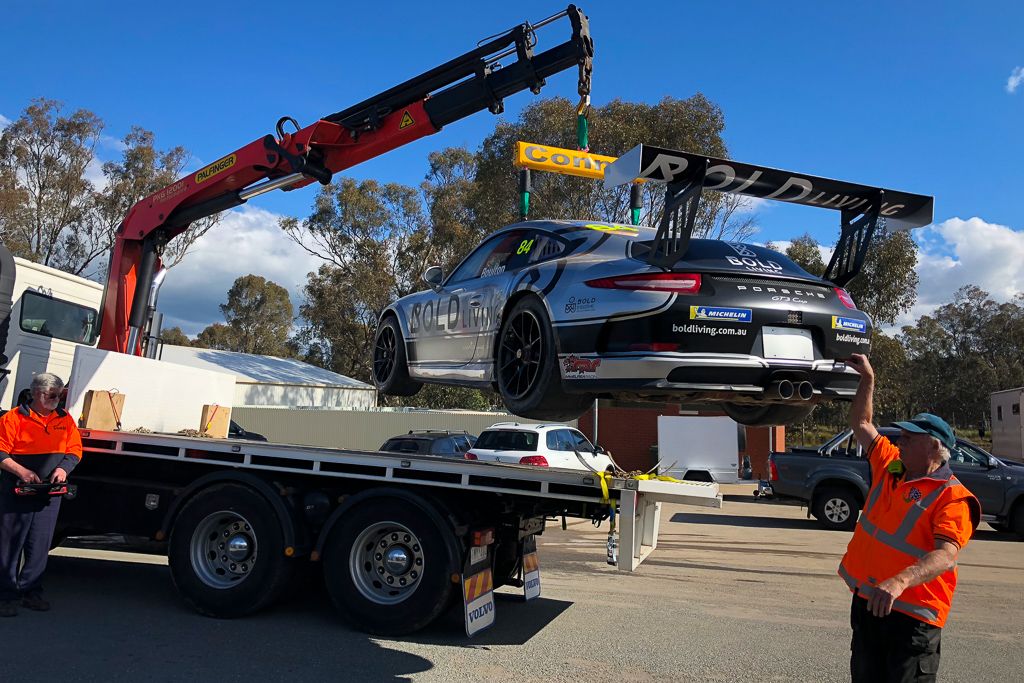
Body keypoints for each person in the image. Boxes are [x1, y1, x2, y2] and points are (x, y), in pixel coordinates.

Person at [840, 354, 980, 682]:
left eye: (909, 438)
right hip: (870, 603)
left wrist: (899, 581)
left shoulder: (952, 495)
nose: (899, 441)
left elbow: (946, 555)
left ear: (934, 447)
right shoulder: (894, 469)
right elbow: (862, 424)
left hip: (913, 618)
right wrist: (867, 380)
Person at [0, 373, 82, 617]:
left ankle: (31, 592)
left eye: (59, 395)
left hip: (47, 492)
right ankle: (5, 595)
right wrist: (21, 470)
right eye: (52, 395)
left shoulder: (64, 419)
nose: (57, 399)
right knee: (9, 545)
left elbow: (75, 449)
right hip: (18, 490)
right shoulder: (12, 418)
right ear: (36, 393)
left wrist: (62, 468)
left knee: (39, 544)